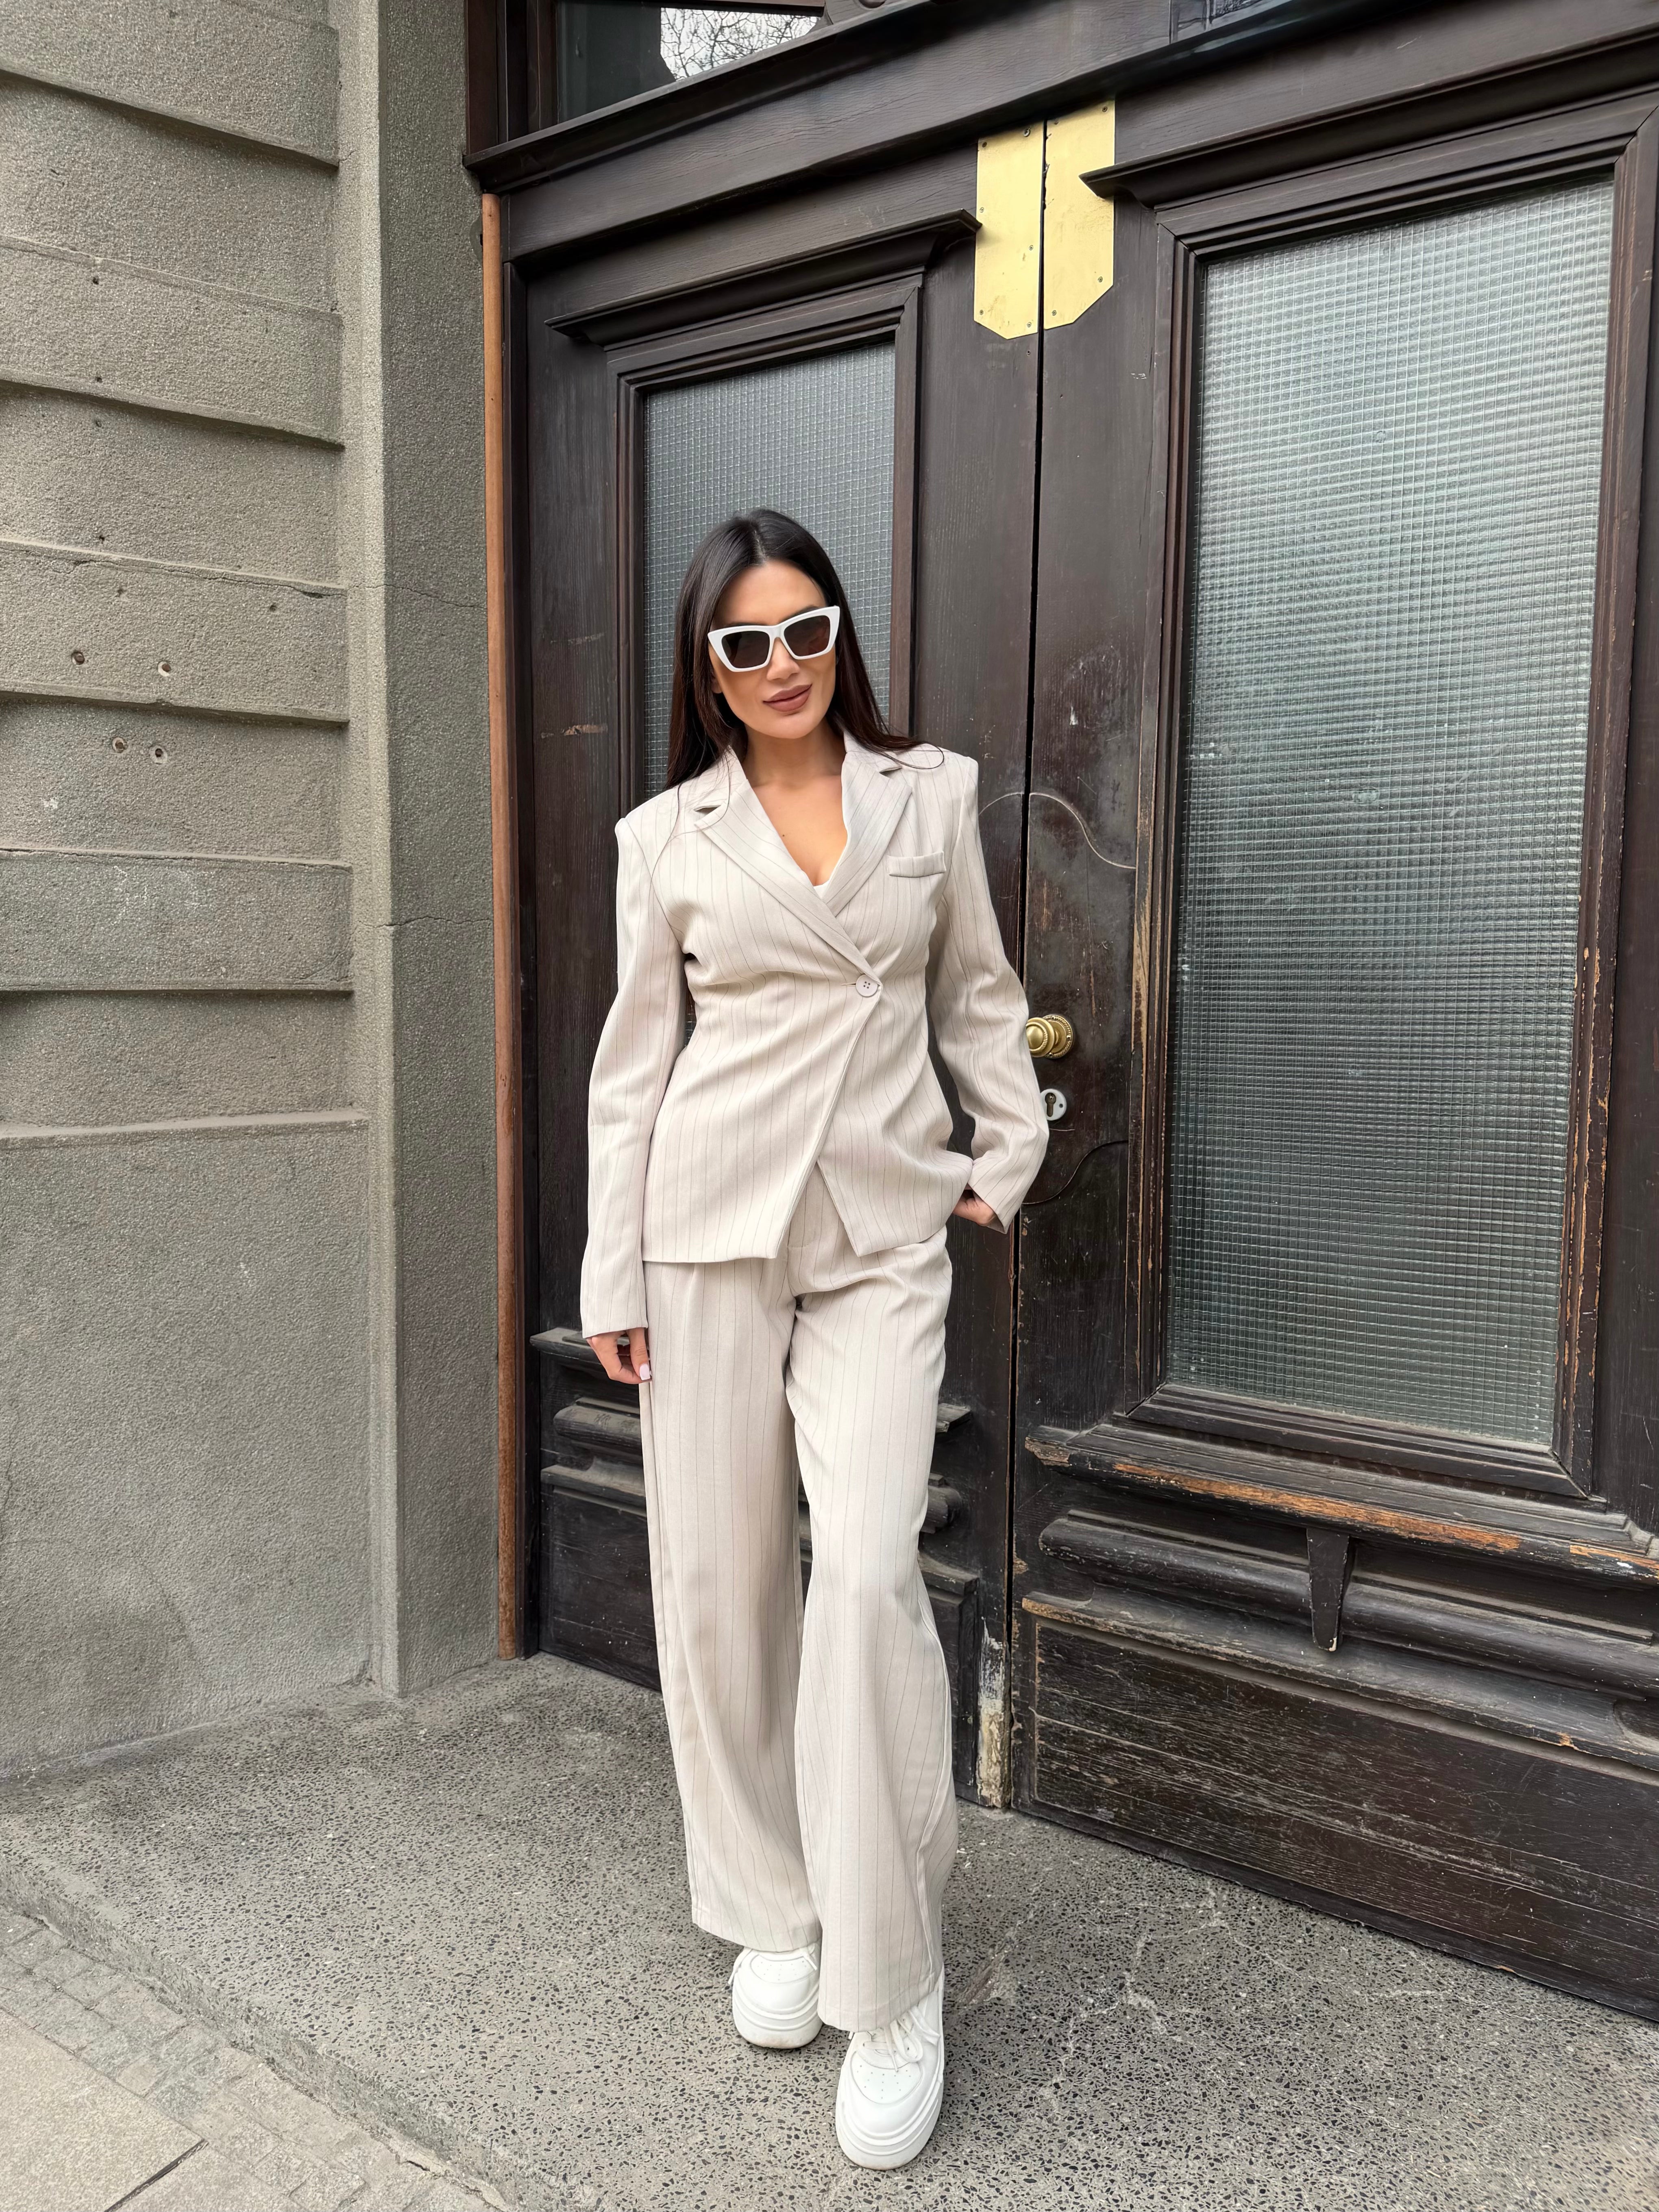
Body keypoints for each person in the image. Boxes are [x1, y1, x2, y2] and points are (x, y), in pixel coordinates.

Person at [579, 507, 1049, 2169]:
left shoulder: (931, 794)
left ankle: (894, 1976)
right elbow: (636, 1065)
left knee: (859, 1579)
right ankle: (771, 1905)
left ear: (839, 634)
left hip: (879, 1235)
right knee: (720, 1585)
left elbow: (977, 991)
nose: (782, 664)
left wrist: (1006, 1148)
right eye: (746, 642)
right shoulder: (665, 837)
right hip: (706, 1228)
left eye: (806, 630)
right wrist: (613, 1270)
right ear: (707, 669)